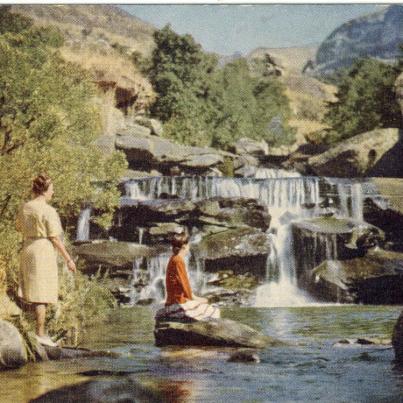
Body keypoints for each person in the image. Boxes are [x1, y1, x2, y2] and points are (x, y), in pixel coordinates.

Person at [16, 174, 76, 347]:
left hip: (28, 247)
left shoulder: (25, 207)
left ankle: (36, 330)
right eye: (52, 189)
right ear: (45, 190)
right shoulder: (48, 210)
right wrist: (69, 259)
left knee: (32, 290)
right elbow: (55, 238)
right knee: (41, 293)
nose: (53, 192)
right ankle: (40, 334)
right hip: (42, 249)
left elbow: (19, 227)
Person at [156, 232, 220, 322]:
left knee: (207, 307)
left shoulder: (174, 258)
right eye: (188, 244)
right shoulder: (178, 261)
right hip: (177, 304)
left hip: (174, 302)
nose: (189, 247)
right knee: (214, 310)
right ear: (184, 247)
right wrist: (198, 299)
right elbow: (185, 286)